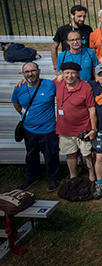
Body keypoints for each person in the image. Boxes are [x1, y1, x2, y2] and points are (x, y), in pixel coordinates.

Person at [12, 62, 59, 192]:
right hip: (29, 129)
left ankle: (53, 177)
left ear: (39, 71)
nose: (30, 74)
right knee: (31, 154)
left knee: (51, 155)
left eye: (32, 71)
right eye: (27, 72)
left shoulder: (49, 84)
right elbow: (16, 103)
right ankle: (31, 177)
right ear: (23, 74)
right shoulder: (19, 88)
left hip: (48, 129)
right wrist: (24, 114)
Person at [55, 62, 97, 181]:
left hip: (83, 128)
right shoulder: (57, 83)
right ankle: (73, 176)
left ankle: (91, 174)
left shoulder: (85, 87)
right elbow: (40, 84)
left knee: (87, 154)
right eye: (66, 73)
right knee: (70, 154)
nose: (70, 76)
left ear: (78, 73)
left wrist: (93, 129)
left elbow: (91, 109)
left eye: (73, 73)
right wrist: (23, 82)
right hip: (65, 128)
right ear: (62, 73)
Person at [52, 5, 93, 71]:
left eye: (84, 16)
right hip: (68, 64)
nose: (82, 19)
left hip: (84, 63)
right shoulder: (62, 30)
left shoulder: (88, 29)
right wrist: (55, 66)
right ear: (72, 16)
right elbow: (54, 47)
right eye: (79, 16)